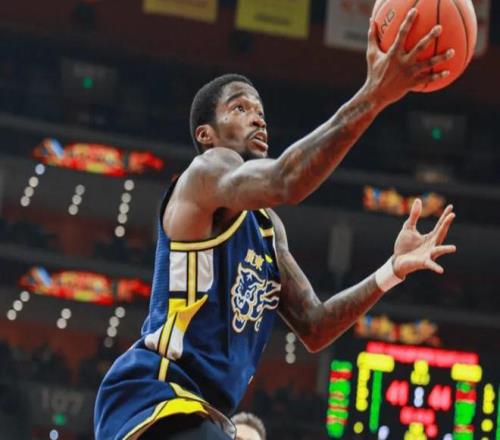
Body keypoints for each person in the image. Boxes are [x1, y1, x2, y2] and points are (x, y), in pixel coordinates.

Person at [94, 9, 457, 440]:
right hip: (154, 394)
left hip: (201, 413)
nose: (258, 117)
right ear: (206, 134)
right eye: (240, 107)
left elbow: (316, 326)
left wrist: (391, 270)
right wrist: (374, 94)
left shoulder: (268, 229)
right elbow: (288, 180)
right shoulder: (205, 174)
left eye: (260, 110)